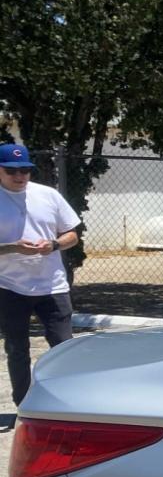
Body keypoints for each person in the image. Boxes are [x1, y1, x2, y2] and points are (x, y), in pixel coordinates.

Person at [0, 143, 81, 405]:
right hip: (9, 287)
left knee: (63, 348)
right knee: (16, 349)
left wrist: (55, 244)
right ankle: (24, 405)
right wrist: (14, 248)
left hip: (53, 286)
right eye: (11, 171)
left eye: (25, 170)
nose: (19, 176)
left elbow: (73, 235)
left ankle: (68, 403)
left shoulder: (48, 195)